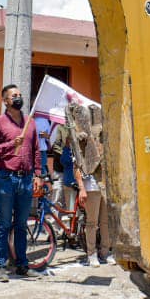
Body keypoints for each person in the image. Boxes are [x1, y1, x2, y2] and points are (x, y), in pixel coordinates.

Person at [0, 84, 44, 282]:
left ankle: (22, 264)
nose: (18, 98)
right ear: (5, 100)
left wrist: (38, 175)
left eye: (20, 95)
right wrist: (12, 144)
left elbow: (37, 150)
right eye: (13, 96)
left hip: (26, 179)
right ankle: (1, 265)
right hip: (6, 179)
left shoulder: (31, 123)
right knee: (4, 224)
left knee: (21, 224)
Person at [67, 104, 112, 266]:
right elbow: (77, 167)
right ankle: (91, 253)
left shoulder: (105, 144)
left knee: (106, 222)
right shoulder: (81, 145)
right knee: (91, 222)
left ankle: (105, 252)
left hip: (105, 186)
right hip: (91, 186)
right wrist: (82, 188)